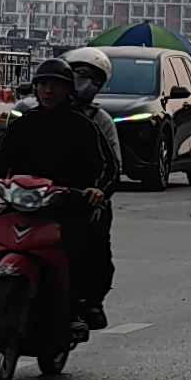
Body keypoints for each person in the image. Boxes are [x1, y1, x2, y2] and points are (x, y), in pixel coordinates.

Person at [0, 57, 110, 342]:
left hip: (66, 205)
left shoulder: (84, 127)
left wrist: (97, 190)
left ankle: (74, 311)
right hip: (22, 201)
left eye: (55, 85)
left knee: (79, 246)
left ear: (68, 90)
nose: (48, 91)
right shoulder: (25, 123)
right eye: (43, 84)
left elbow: (106, 167)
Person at [63, 46, 123, 329]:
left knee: (91, 247)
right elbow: (10, 151)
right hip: (39, 194)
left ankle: (87, 301)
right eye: (76, 74)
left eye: (89, 77)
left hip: (83, 198)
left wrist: (99, 192)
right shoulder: (35, 115)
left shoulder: (100, 122)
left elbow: (113, 167)